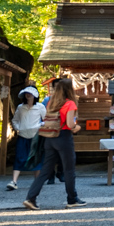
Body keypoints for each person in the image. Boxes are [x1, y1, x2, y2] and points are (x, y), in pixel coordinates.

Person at [23, 78, 86, 210]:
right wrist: (77, 127)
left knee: (46, 170)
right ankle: (72, 198)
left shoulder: (51, 103)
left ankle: (30, 198)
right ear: (70, 90)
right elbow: (69, 124)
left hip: (49, 138)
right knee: (69, 169)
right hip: (63, 137)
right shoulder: (70, 104)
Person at [7, 85, 45, 190]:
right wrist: (18, 128)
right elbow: (15, 120)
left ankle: (37, 182)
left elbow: (46, 119)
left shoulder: (40, 107)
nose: (28, 95)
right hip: (22, 136)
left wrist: (40, 126)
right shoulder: (20, 107)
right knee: (20, 157)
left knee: (36, 158)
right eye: (26, 93)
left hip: (36, 136)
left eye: (31, 93)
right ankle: (14, 181)